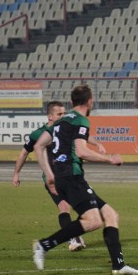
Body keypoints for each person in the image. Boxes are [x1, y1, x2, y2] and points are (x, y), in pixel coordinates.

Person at [31, 85, 138, 275]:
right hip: (72, 178)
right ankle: (44, 245)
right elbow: (81, 151)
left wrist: (49, 174)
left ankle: (119, 265)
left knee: (111, 215)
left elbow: (39, 145)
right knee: (93, 222)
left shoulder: (61, 121)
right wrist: (109, 159)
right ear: (90, 101)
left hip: (64, 178)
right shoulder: (81, 120)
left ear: (72, 102)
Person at [13, 101, 85, 253]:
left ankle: (75, 234)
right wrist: (16, 173)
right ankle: (73, 239)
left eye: (64, 113)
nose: (63, 116)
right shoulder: (39, 134)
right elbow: (24, 153)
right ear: (49, 116)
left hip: (71, 176)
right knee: (64, 207)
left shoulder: (67, 129)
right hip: (53, 179)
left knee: (86, 209)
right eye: (59, 114)